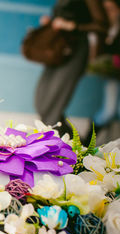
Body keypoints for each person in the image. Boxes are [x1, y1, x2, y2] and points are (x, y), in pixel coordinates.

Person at [34, 0, 108, 137]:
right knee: (42, 103)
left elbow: (102, 25)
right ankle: (75, 145)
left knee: (52, 108)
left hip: (75, 51)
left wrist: (73, 26)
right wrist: (51, 23)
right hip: (58, 49)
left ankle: (61, 148)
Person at [85, 0, 120, 144]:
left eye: (111, 8)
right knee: (108, 111)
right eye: (105, 9)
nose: (108, 12)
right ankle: (87, 142)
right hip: (113, 73)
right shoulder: (105, 26)